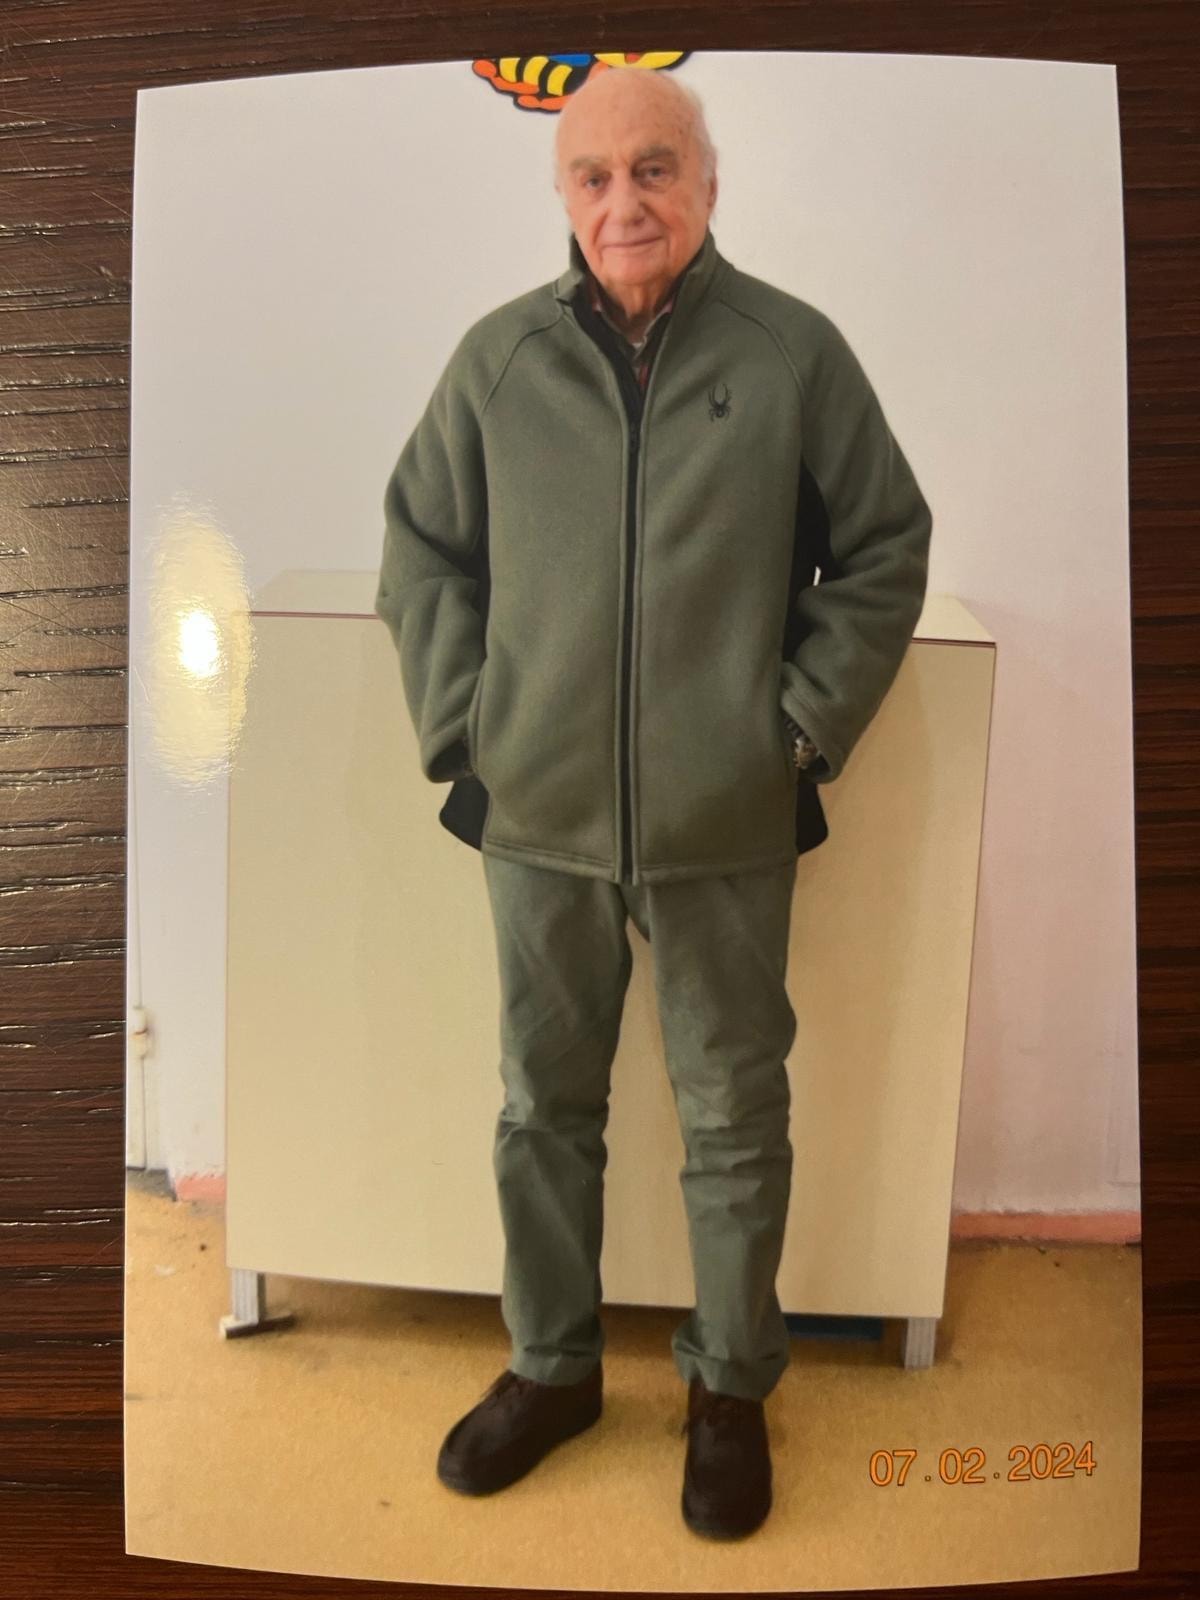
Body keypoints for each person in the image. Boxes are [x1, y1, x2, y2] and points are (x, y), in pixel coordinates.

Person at [374, 63, 932, 1539]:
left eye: (654, 168)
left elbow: (886, 543)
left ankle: (730, 1391)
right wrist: (469, 729)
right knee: (541, 1108)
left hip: (723, 827)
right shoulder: (500, 363)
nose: (624, 201)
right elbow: (420, 547)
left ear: (708, 183)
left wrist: (795, 729)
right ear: (563, 194)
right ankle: (551, 1371)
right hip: (538, 826)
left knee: (736, 1112)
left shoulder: (793, 354)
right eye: (594, 174)